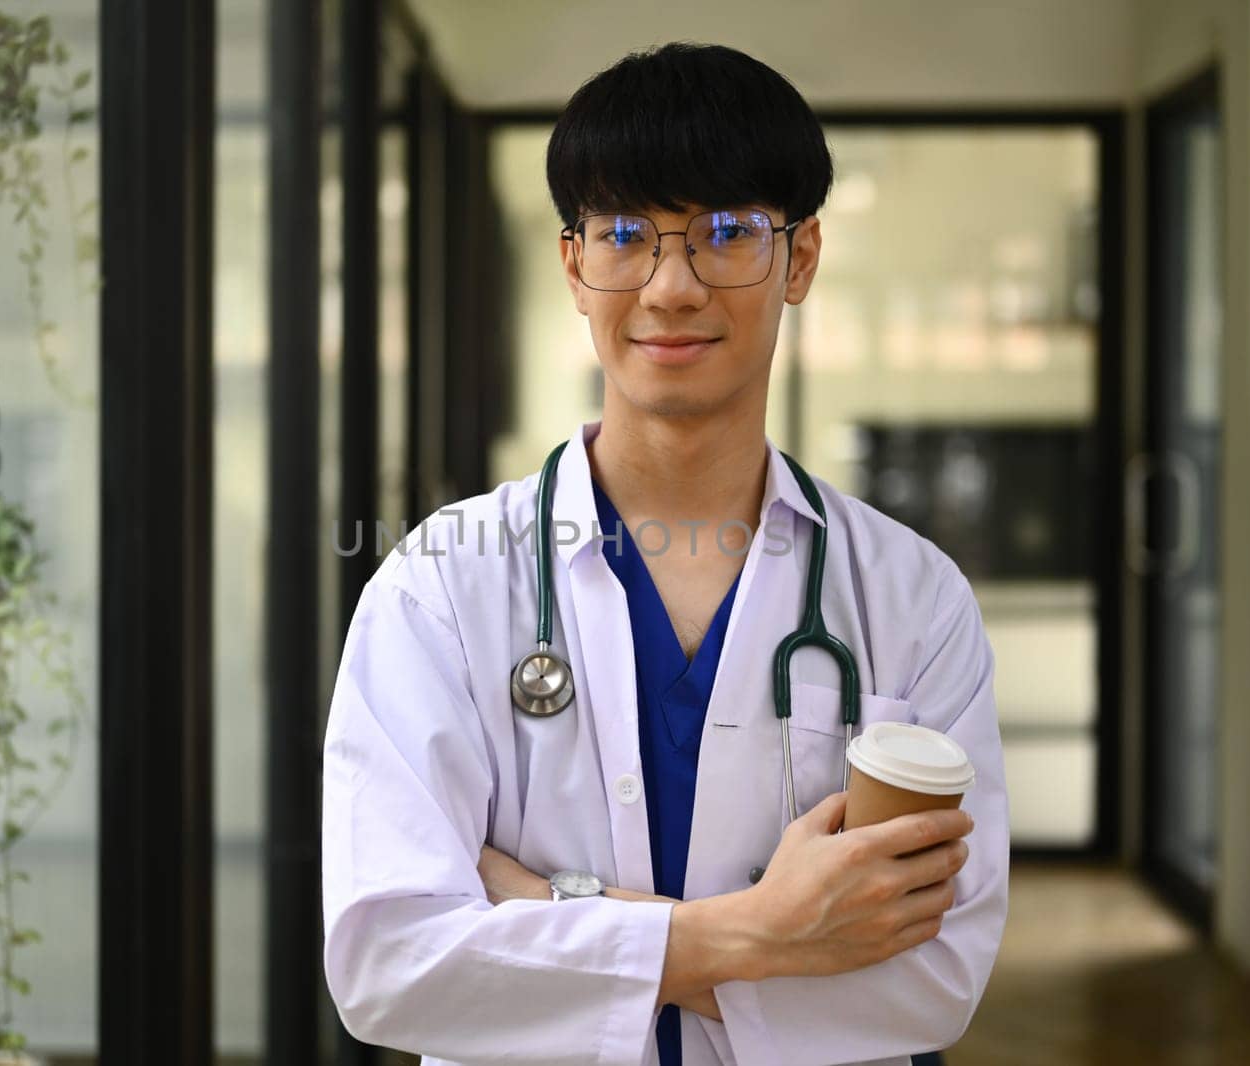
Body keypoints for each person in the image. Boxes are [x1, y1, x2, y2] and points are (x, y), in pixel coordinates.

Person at [321, 41, 1008, 1066]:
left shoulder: (911, 598)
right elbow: (391, 962)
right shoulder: (442, 583)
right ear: (574, 265)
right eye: (625, 235)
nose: (671, 285)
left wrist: (541, 906)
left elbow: (936, 975)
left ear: (801, 257)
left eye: (727, 232)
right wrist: (765, 932)